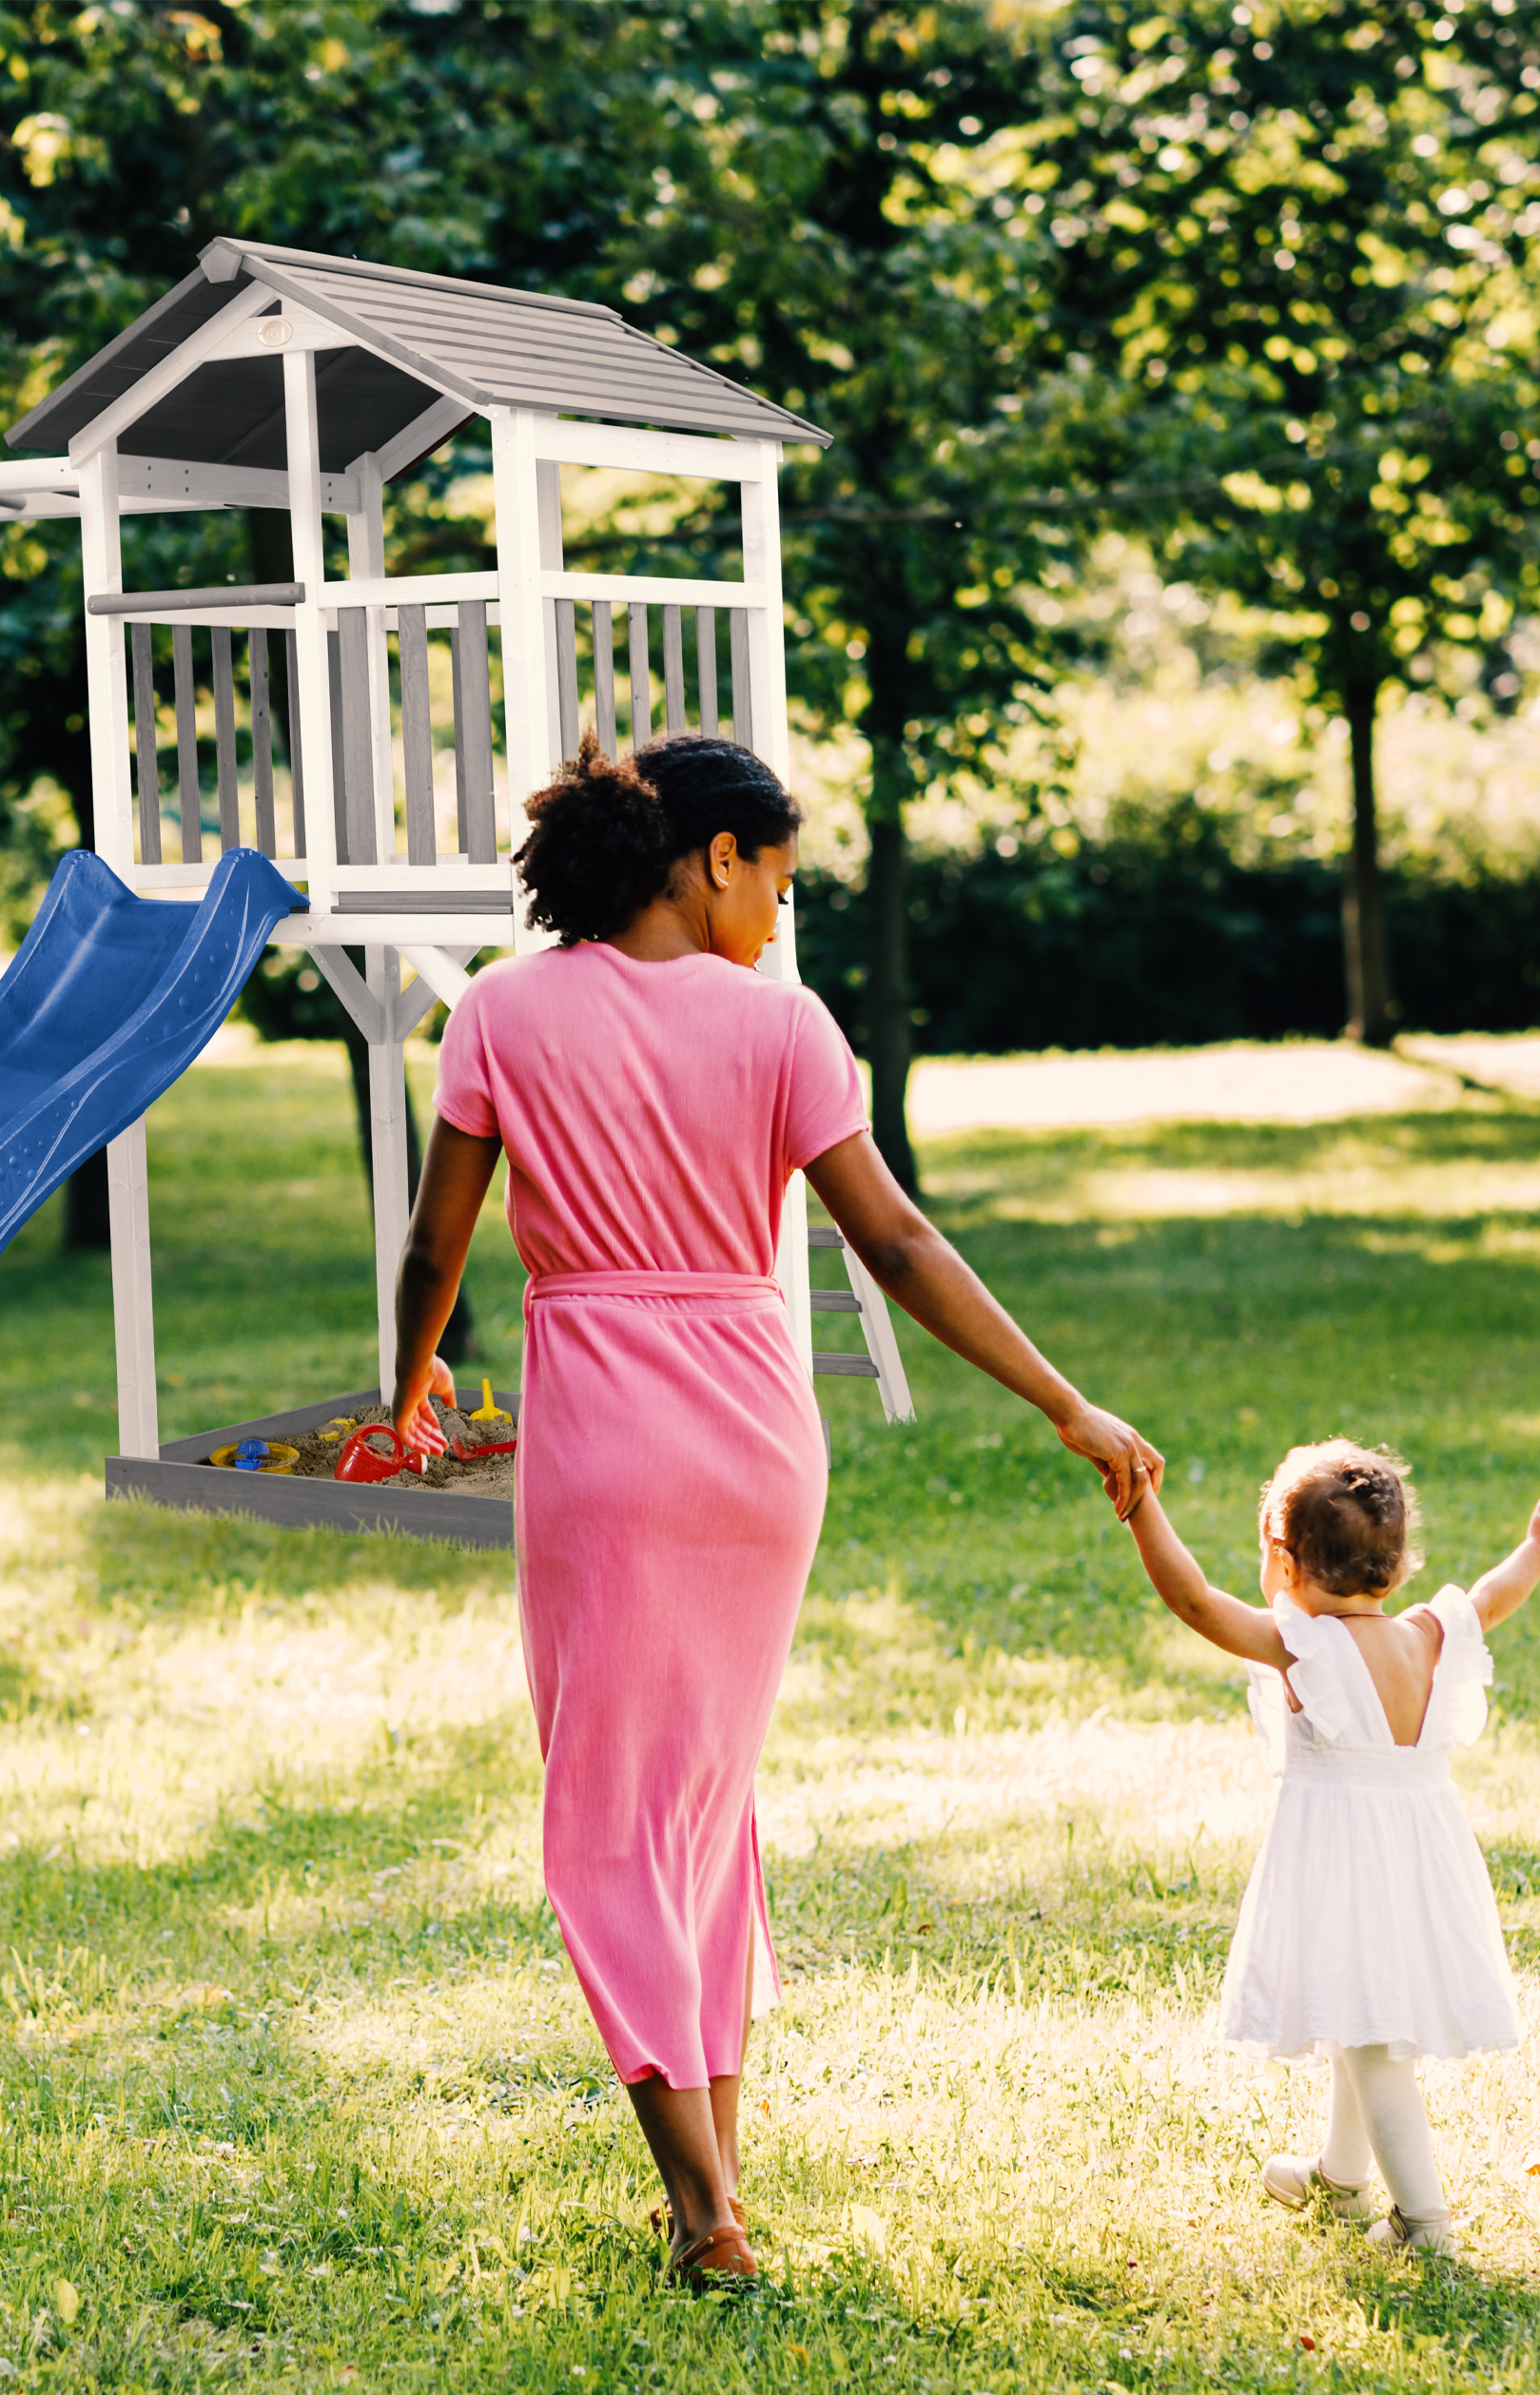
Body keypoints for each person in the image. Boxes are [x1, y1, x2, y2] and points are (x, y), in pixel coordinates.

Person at [383, 734, 1162, 2288]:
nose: (780, 916)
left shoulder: (500, 1012)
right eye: (780, 881)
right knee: (701, 1809)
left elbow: (434, 1246)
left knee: (610, 1820)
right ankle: (718, 2181)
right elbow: (897, 1243)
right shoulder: (784, 1028)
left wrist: (403, 1389)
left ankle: (704, 2211)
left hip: (604, 1440)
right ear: (714, 857)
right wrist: (1063, 1399)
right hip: (756, 1441)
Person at [1118, 1441, 1540, 2256]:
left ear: (1285, 1561)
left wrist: (1140, 1506)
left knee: (1371, 2044)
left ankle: (1423, 2223)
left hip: (1345, 1864)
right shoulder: (1429, 1635)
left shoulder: (1305, 1648)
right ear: (1398, 1567)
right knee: (1355, 2011)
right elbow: (1492, 1594)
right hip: (1419, 1860)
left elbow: (1193, 1601)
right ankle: (1339, 2180)